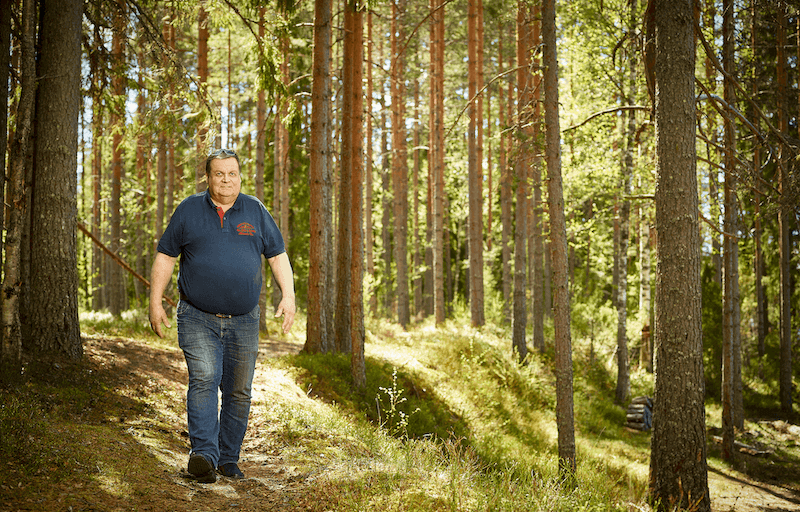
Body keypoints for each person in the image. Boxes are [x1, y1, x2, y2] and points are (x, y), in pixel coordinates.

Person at [149, 148, 296, 483]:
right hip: (197, 316)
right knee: (204, 380)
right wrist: (155, 301)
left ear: (240, 176)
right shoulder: (188, 210)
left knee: (238, 390)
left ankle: (228, 458)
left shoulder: (255, 210)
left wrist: (288, 296)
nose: (226, 180)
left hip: (245, 320)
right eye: (219, 174)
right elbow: (165, 256)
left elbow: (277, 256)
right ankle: (203, 454)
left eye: (232, 173)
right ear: (208, 177)